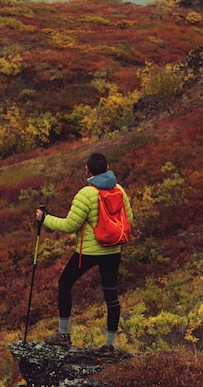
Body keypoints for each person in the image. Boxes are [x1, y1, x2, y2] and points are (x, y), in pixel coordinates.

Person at [36, 152, 133, 354]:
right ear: (108, 167)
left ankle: (64, 336)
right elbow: (128, 220)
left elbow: (70, 225)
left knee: (65, 283)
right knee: (111, 295)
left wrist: (44, 219)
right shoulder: (120, 190)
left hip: (88, 252)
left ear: (87, 170)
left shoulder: (86, 194)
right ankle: (109, 345)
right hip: (113, 250)